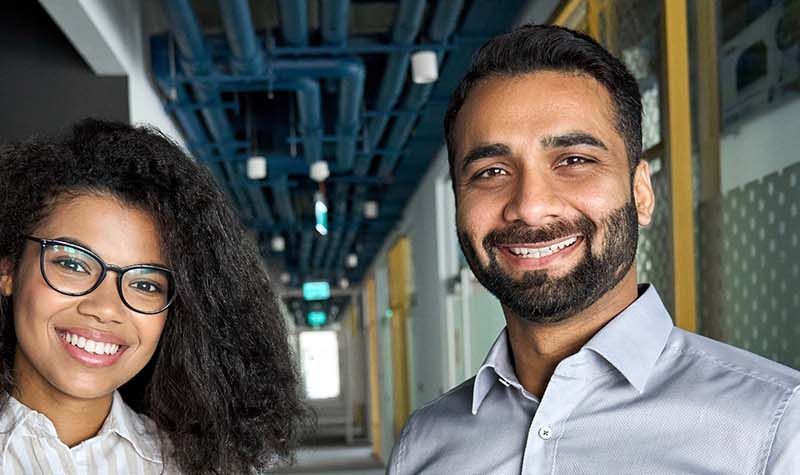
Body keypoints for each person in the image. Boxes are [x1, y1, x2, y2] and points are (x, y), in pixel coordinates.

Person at [388, 24, 800, 474]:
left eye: (574, 161)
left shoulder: (775, 429)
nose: (530, 206)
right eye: (491, 172)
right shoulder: (424, 445)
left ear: (641, 192)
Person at [0, 119, 305, 474]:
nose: (105, 308)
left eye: (146, 285)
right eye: (73, 263)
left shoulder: (200, 468)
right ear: (8, 271)